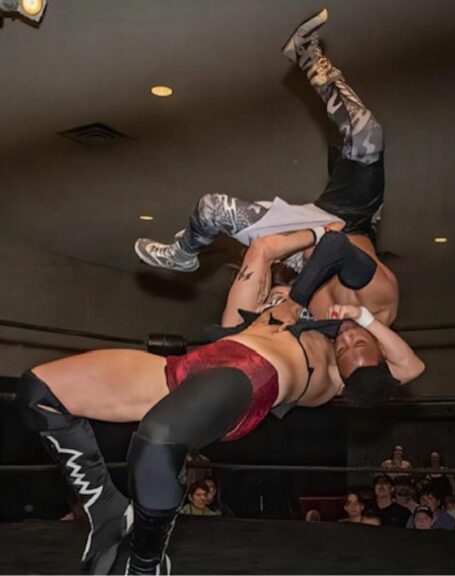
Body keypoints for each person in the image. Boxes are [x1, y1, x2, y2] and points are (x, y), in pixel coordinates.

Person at [16, 225, 423, 574]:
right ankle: (104, 506)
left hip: (252, 380)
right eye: (354, 341)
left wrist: (349, 315)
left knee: (156, 441)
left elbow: (409, 369)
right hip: (193, 367)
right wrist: (306, 242)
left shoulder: (334, 374)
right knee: (40, 392)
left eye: (353, 351)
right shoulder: (261, 314)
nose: (349, 342)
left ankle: (146, 560)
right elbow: (271, 249)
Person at [135, 7, 385, 275]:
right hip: (353, 215)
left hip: (317, 240)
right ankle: (308, 57)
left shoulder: (323, 285)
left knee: (211, 209)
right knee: (367, 135)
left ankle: (181, 253)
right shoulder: (378, 286)